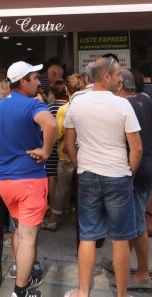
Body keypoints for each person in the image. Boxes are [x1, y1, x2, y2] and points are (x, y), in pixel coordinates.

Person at [63, 57, 142, 297]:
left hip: (88, 174)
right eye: (118, 75)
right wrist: (129, 173)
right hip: (118, 174)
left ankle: (83, 291)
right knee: (120, 238)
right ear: (106, 76)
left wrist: (80, 165)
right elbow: (136, 148)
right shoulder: (122, 105)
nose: (120, 79)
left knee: (87, 235)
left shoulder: (76, 103)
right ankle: (121, 294)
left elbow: (68, 143)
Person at [0, 61, 58, 297]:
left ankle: (23, 273)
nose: (38, 82)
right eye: (34, 78)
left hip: (6, 183)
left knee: (19, 230)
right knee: (27, 236)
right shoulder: (32, 104)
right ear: (23, 81)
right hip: (30, 180)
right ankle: (20, 291)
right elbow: (52, 123)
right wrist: (45, 150)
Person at [101, 69, 152, 290]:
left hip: (133, 169)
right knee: (132, 219)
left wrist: (131, 168)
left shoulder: (123, 106)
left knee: (137, 225)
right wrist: (150, 148)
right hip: (147, 165)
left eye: (112, 79)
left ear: (120, 84)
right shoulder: (146, 100)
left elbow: (129, 146)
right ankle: (119, 262)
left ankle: (142, 274)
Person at [41, 74, 85, 232]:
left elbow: (58, 133)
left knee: (62, 188)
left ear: (67, 89)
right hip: (85, 155)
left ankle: (53, 220)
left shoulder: (64, 109)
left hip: (65, 155)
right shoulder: (87, 106)